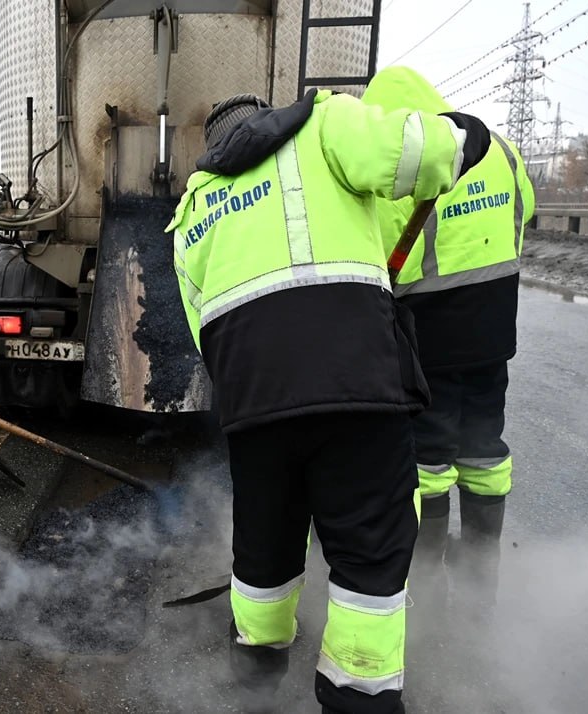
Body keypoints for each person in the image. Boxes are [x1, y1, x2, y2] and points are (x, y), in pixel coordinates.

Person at [166, 88, 490, 713]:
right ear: (266, 118)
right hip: (356, 389)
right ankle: (357, 696)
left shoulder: (190, 213)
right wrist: (466, 133)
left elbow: (201, 327)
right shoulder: (324, 124)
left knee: (265, 544)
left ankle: (254, 677)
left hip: (255, 405)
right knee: (369, 553)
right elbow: (420, 152)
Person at [362, 67, 535, 602]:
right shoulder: (501, 149)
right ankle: (484, 567)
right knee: (485, 442)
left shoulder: (407, 163)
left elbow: (377, 253)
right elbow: (523, 211)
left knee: (429, 455)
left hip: (430, 337)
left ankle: (427, 575)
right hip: (494, 331)